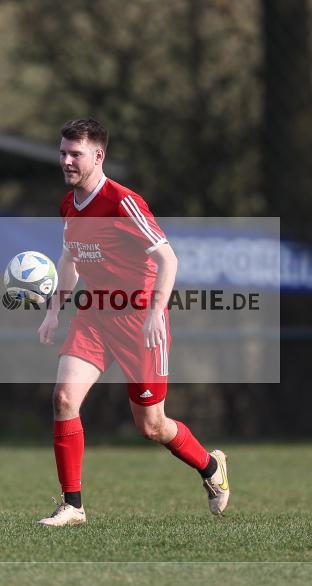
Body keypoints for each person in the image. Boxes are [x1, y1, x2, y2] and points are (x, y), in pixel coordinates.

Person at [35, 118, 229, 526]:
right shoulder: (68, 205)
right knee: (64, 400)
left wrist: (156, 311)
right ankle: (73, 505)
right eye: (63, 152)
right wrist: (55, 310)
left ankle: (211, 467)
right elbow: (70, 260)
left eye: (76, 154)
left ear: (98, 156)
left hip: (139, 320)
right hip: (94, 316)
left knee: (152, 425)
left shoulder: (124, 202)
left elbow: (168, 259)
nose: (66, 161)